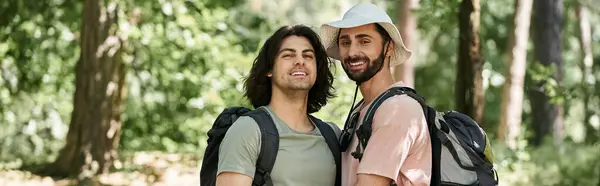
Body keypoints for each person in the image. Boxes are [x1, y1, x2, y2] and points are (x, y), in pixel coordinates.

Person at [320, 3, 432, 186]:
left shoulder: (399, 109)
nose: (352, 52)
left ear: (388, 47)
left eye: (364, 41)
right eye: (345, 42)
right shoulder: (365, 108)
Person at [215, 24, 342, 186]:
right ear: (269, 69)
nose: (300, 61)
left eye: (308, 56)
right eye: (288, 55)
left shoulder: (333, 135)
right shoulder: (248, 131)